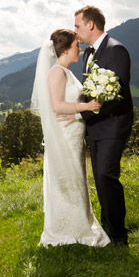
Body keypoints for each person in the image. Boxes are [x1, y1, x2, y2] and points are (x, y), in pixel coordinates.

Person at [31, 28, 110, 248]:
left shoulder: (65, 71)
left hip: (74, 135)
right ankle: (66, 228)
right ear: (66, 49)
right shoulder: (57, 72)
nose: (80, 48)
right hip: (65, 137)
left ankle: (80, 223)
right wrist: (86, 106)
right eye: (77, 45)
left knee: (76, 178)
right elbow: (56, 105)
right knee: (68, 179)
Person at [73, 5, 134, 247]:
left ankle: (119, 236)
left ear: (90, 24)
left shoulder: (116, 50)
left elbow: (115, 93)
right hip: (96, 127)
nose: (75, 30)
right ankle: (109, 227)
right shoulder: (89, 54)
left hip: (112, 125)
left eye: (77, 25)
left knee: (107, 176)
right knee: (99, 178)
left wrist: (85, 115)